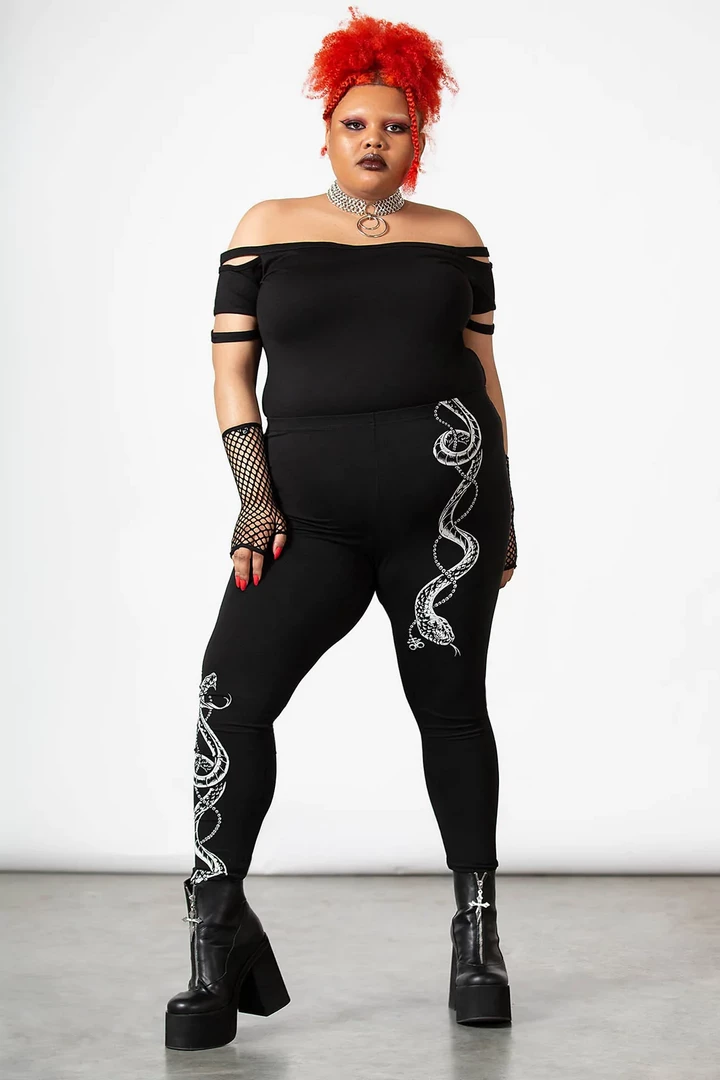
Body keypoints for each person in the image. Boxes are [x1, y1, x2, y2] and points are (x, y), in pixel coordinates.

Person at [165, 6, 518, 1051]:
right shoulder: (265, 227)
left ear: (419, 138)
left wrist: (508, 506)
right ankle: (214, 938)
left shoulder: (455, 238)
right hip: (307, 518)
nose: (375, 141)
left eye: (395, 127)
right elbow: (233, 374)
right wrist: (255, 499)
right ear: (326, 132)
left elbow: (485, 373)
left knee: (450, 710)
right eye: (356, 124)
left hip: (444, 513)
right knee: (231, 698)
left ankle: (478, 939)